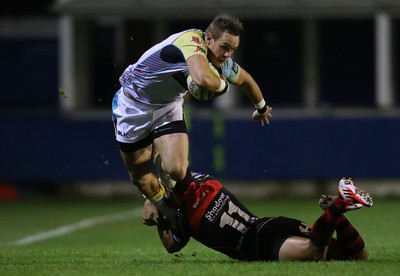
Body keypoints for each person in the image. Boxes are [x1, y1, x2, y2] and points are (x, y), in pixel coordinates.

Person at [112, 15, 273, 223]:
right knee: (140, 177)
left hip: (167, 107)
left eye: (232, 49)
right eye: (225, 47)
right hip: (132, 105)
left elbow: (246, 81)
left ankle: (172, 212)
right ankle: (160, 205)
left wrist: (261, 108)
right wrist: (223, 86)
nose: (227, 54)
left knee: (177, 170)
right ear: (208, 38)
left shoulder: (219, 58)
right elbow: (202, 79)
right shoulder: (191, 41)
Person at [143, 163, 373, 261]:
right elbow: (182, 174)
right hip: (269, 223)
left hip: (260, 244)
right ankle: (336, 215)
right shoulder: (207, 180)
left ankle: (339, 205)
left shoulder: (184, 217)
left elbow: (171, 245)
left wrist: (159, 212)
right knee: (356, 257)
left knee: (315, 251)